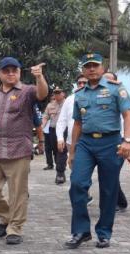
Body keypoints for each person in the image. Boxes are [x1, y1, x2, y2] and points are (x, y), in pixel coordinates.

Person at [0, 57, 48, 245]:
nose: (10, 73)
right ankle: (6, 218)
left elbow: (42, 94)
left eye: (14, 70)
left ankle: (15, 228)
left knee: (17, 192)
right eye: (6, 70)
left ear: (19, 72)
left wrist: (39, 77)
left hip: (18, 150)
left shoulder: (27, 91)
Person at [64, 53, 130, 249]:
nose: (92, 69)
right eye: (88, 66)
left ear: (102, 68)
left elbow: (128, 115)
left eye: (95, 65)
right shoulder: (79, 94)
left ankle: (104, 233)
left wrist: (128, 141)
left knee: (108, 189)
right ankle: (81, 231)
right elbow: (77, 123)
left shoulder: (116, 89)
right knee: (77, 184)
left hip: (111, 143)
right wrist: (72, 151)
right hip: (86, 143)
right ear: (83, 71)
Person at [103, 71, 130, 212]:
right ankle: (120, 201)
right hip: (100, 143)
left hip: (119, 141)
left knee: (111, 173)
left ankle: (113, 204)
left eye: (110, 80)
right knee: (108, 173)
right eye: (104, 80)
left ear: (116, 81)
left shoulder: (121, 95)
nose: (107, 83)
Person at [56, 74, 93, 203]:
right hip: (72, 142)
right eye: (79, 83)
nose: (82, 85)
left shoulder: (95, 97)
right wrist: (60, 137)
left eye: (85, 82)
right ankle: (83, 193)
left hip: (91, 141)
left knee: (86, 169)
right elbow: (62, 121)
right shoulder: (70, 100)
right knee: (76, 170)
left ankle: (84, 191)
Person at [42, 87, 68, 184]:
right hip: (52, 130)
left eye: (59, 93)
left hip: (65, 130)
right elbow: (45, 116)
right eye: (55, 93)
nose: (57, 95)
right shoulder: (50, 105)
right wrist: (42, 126)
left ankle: (60, 173)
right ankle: (60, 169)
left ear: (63, 94)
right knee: (55, 150)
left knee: (61, 150)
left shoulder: (68, 103)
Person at [42, 95, 55, 170]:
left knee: (56, 148)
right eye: (52, 99)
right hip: (47, 130)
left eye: (54, 99)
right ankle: (49, 164)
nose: (53, 100)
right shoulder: (48, 106)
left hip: (55, 130)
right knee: (47, 148)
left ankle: (59, 163)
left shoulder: (61, 106)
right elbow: (45, 116)